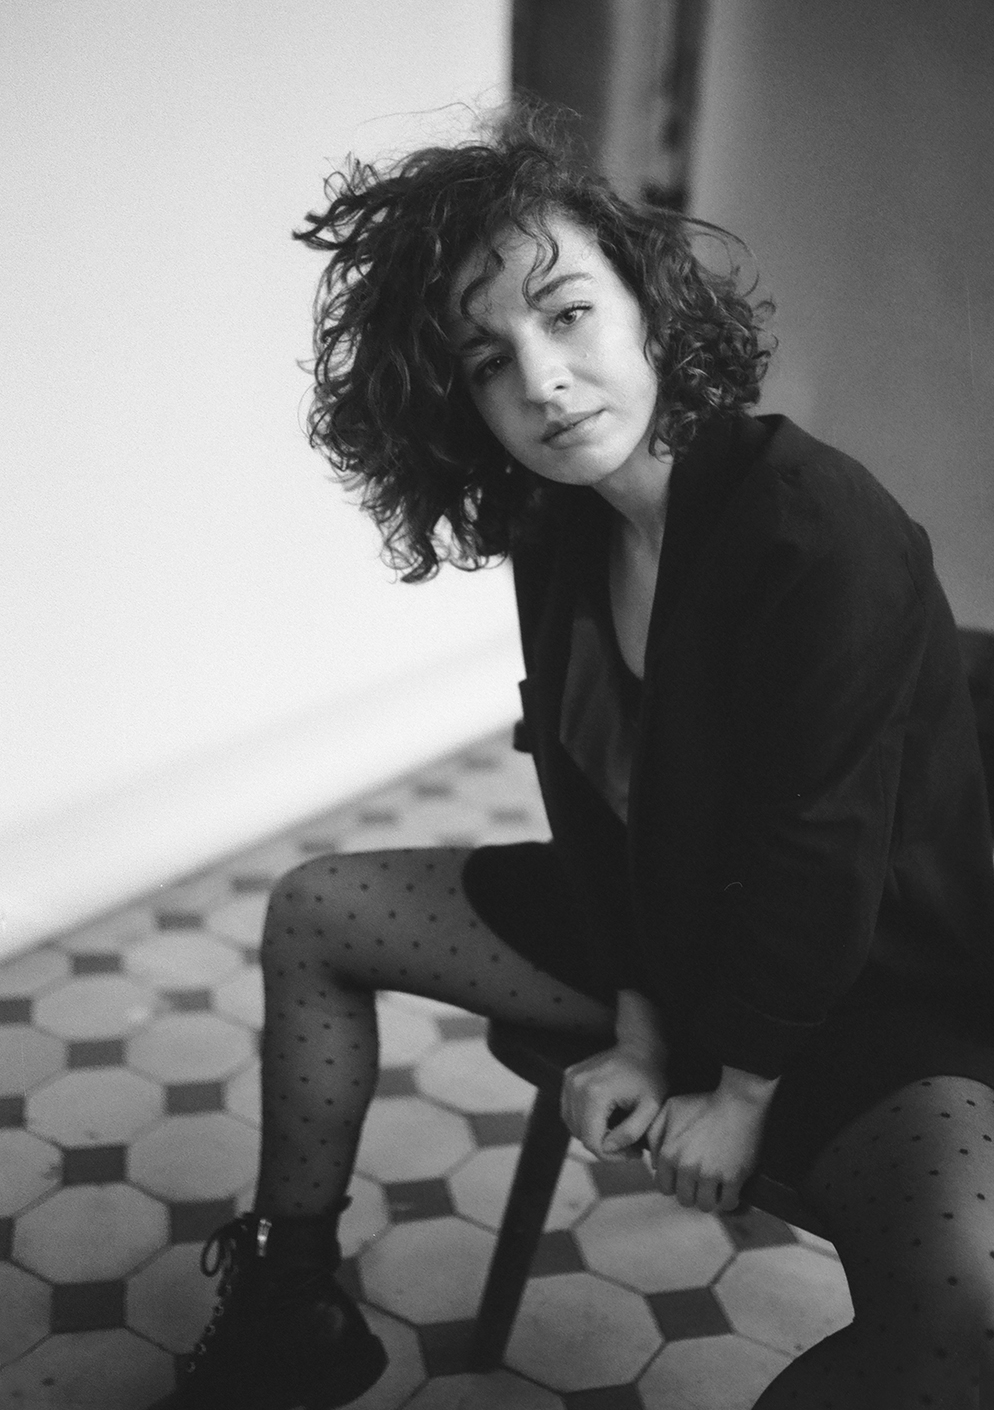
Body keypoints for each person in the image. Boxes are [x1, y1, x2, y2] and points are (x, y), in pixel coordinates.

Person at [150, 108, 994, 1409]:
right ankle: (290, 1307)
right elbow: (588, 800)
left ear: (648, 305)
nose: (540, 381)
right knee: (317, 908)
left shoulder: (816, 527)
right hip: (668, 926)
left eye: (567, 314)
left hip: (867, 984)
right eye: (488, 359)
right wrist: (643, 1029)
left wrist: (740, 1092)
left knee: (962, 1318)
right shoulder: (559, 524)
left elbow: (820, 853)